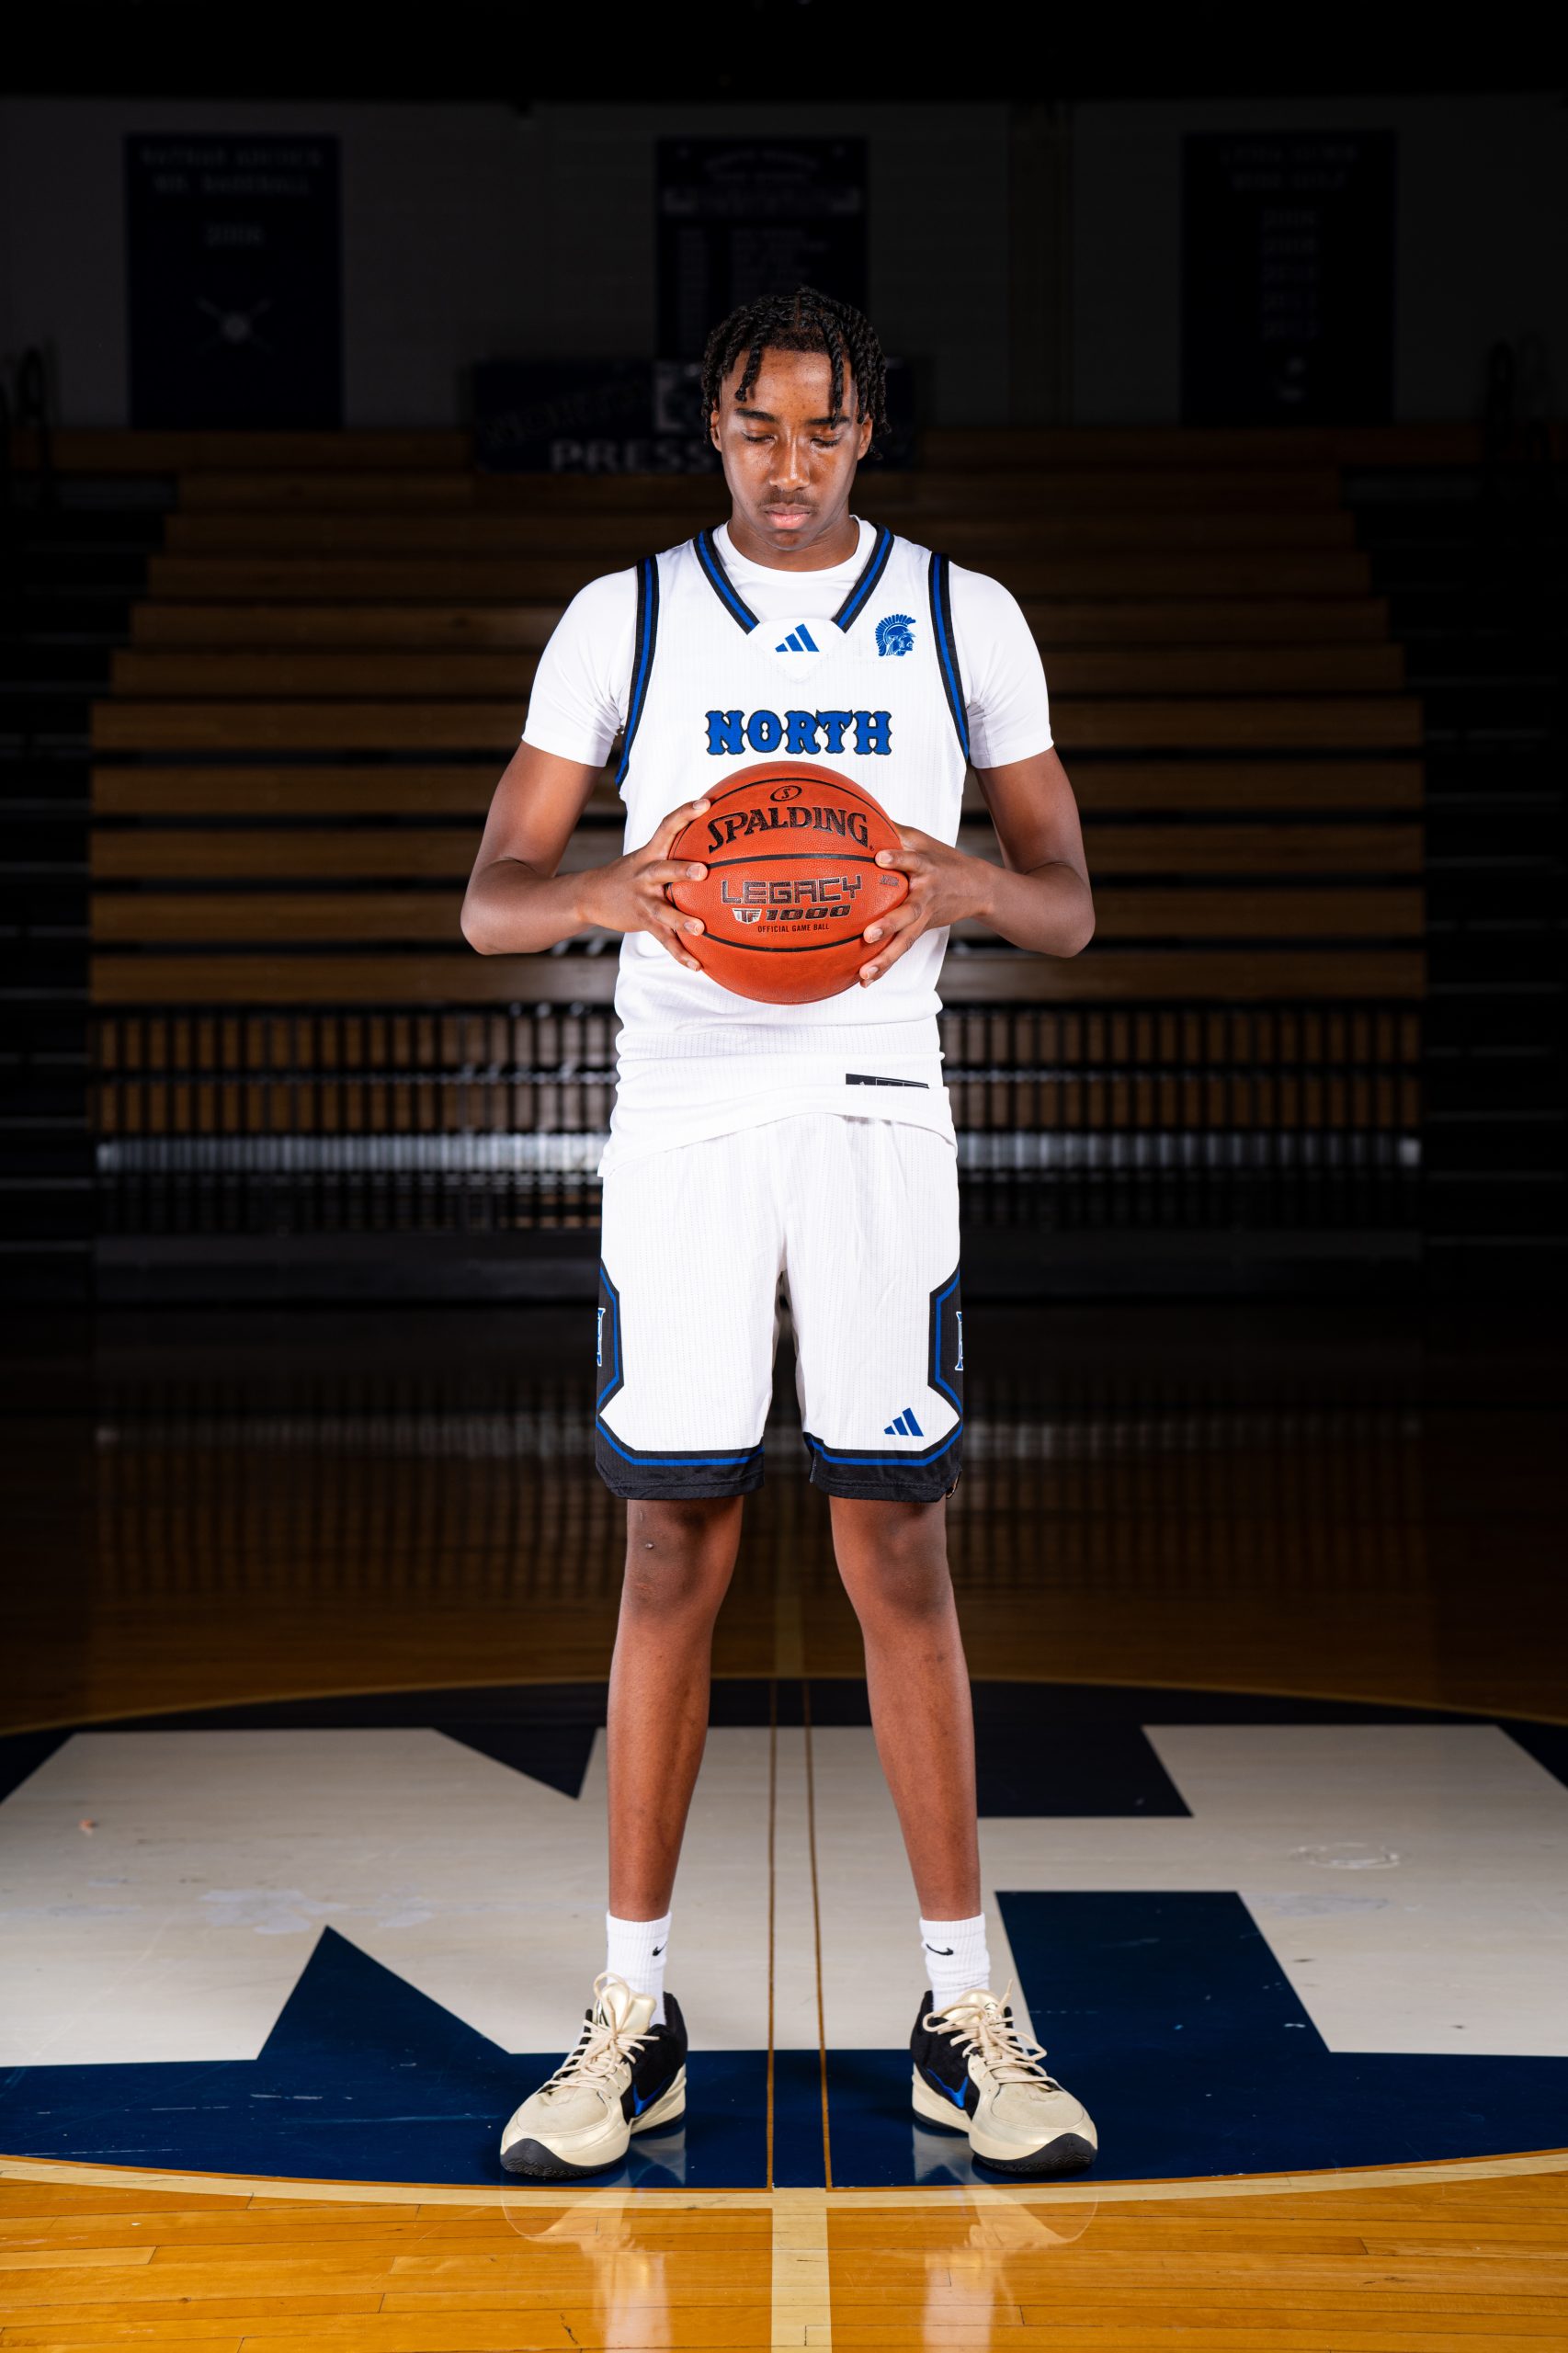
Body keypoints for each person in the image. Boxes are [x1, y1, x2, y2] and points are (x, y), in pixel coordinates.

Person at [461, 288, 1097, 2179]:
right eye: (758, 427)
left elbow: (1065, 902)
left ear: (866, 434)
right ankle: (629, 2008)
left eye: (823, 428)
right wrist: (602, 891)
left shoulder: (962, 614)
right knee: (673, 1535)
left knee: (894, 1536)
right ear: (713, 430)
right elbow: (492, 898)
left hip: (878, 1101)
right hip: (684, 1109)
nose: (790, 463)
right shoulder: (627, 616)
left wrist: (977, 880)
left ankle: (963, 2005)